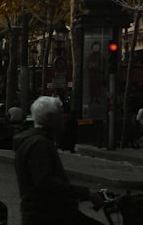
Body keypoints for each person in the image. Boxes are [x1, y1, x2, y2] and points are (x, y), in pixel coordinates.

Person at [13, 96, 103, 225]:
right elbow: (46, 182)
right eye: (60, 115)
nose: (64, 119)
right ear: (50, 118)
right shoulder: (39, 144)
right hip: (48, 215)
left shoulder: (37, 141)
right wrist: (85, 193)